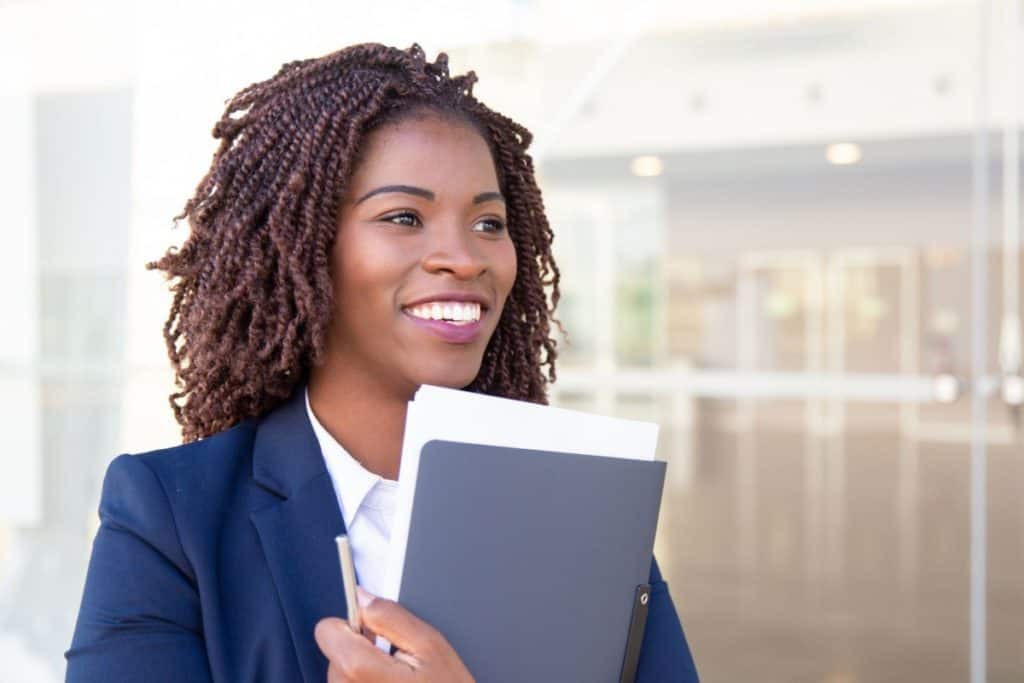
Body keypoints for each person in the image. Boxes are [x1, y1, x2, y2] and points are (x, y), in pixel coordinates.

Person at [65, 42, 700, 682]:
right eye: (404, 216)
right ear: (305, 247)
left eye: (488, 223)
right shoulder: (172, 520)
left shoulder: (586, 511)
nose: (464, 257)